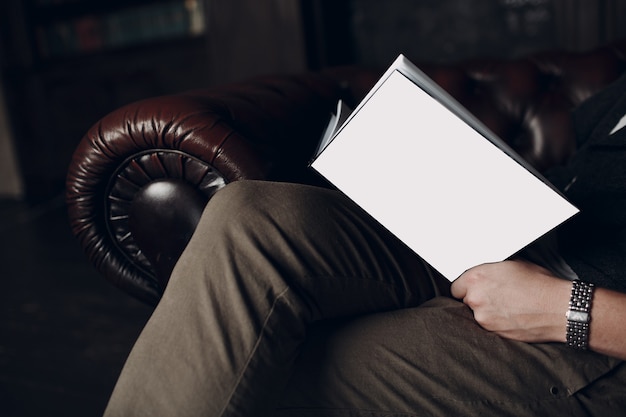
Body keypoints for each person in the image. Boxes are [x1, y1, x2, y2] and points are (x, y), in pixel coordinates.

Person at [103, 74, 626, 417]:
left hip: (583, 322)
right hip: (524, 239)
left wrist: (564, 308)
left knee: (267, 366)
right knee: (248, 215)